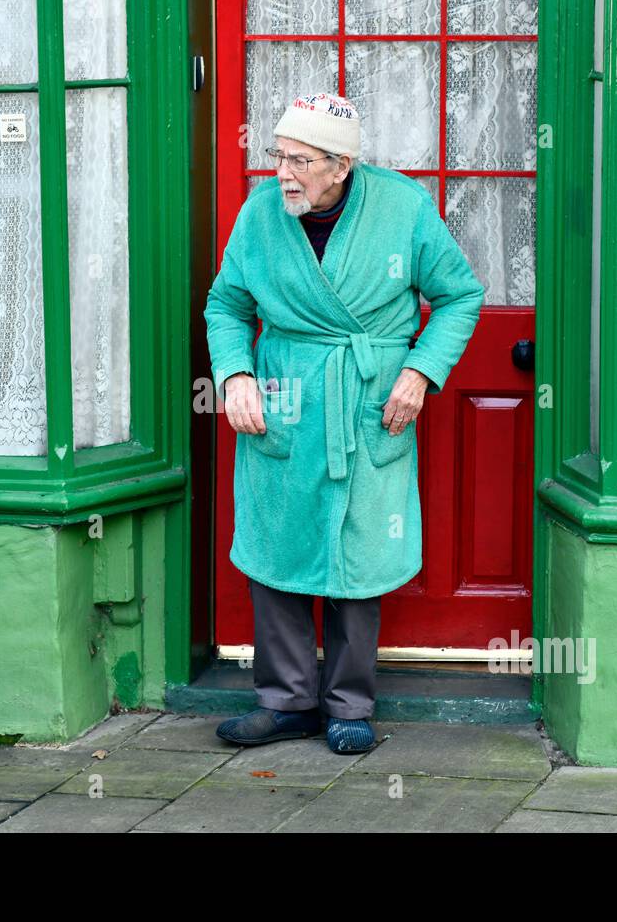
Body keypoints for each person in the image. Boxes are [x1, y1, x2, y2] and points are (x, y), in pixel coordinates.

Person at [203, 92, 484, 754]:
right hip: (286, 398)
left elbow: (459, 295)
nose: (284, 173)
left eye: (300, 161)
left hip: (368, 403)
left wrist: (419, 372)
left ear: (342, 164)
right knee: (278, 543)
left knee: (360, 550)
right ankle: (286, 700)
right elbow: (226, 304)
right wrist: (235, 375)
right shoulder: (261, 214)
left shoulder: (402, 208)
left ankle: (349, 703)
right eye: (279, 156)